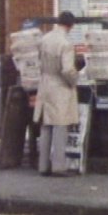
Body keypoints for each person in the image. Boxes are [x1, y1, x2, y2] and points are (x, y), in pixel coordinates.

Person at [33, 11, 79, 176]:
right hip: (60, 87)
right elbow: (67, 70)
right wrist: (75, 81)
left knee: (46, 126)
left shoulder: (44, 39)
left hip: (45, 84)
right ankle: (58, 166)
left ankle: (43, 165)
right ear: (71, 25)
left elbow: (38, 62)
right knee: (60, 126)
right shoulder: (66, 43)